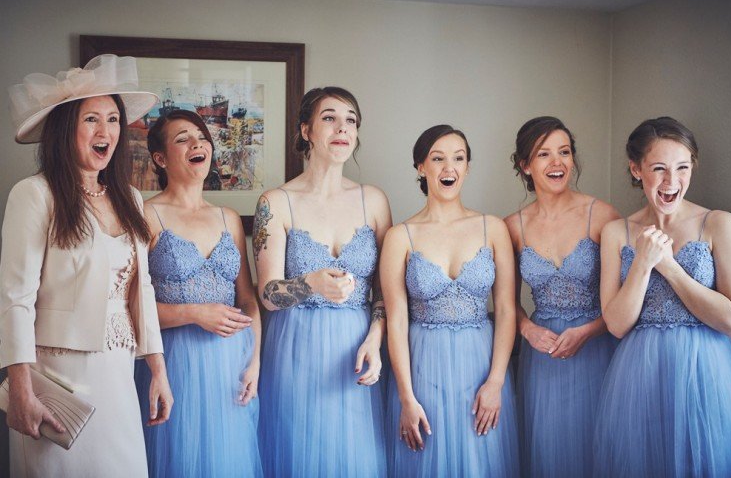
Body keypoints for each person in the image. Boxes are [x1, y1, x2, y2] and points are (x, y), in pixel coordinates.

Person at [0, 54, 172, 478]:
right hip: (56, 377)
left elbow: (141, 289)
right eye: (91, 119)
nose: (106, 132)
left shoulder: (130, 198)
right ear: (64, 130)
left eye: (113, 120)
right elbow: (14, 297)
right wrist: (20, 388)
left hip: (117, 372)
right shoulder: (34, 194)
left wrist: (157, 370)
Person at [252, 86, 392, 478]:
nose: (342, 128)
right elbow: (267, 293)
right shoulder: (276, 202)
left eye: (351, 120)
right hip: (296, 349)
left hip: (357, 349)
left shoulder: (374, 200)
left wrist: (375, 341)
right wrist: (310, 283)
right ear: (306, 131)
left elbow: (385, 292)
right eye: (329, 118)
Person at [594, 117, 731, 477]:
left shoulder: (719, 223)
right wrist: (642, 263)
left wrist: (670, 267)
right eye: (659, 168)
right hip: (639, 374)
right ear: (636, 168)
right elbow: (615, 323)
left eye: (682, 167)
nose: (671, 182)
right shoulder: (616, 232)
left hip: (706, 370)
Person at [381, 124, 519, 477]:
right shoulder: (401, 236)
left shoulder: (492, 228)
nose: (449, 168)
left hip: (481, 365)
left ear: (468, 167)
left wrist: (496, 381)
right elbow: (396, 320)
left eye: (458, 159)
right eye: (438, 159)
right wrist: (406, 397)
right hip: (423, 365)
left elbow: (505, 310)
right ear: (420, 167)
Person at [134, 109, 263, 478]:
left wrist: (254, 361)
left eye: (201, 137)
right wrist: (194, 313)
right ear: (160, 159)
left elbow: (248, 299)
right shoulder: (146, 214)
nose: (197, 143)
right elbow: (131, 305)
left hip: (232, 365)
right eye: (183, 139)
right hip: (174, 362)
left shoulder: (229, 218)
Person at [504, 116, 620, 478]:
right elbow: (508, 304)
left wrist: (588, 331)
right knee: (548, 453)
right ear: (525, 165)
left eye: (564, 152)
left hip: (597, 347)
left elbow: (628, 299)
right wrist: (527, 331)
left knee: (599, 446)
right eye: (544, 154)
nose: (557, 162)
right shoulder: (512, 226)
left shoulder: (602, 216)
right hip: (543, 355)